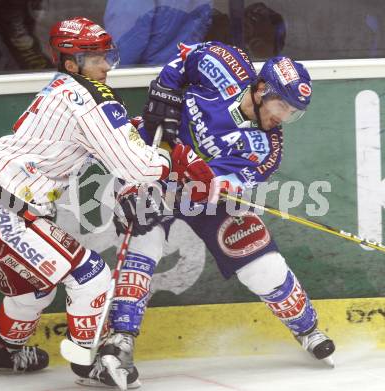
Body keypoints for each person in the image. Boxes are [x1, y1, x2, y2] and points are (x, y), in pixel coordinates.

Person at [0, 16, 198, 381]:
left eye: (108, 56)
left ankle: (4, 351)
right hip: (6, 208)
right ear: (72, 63)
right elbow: (141, 169)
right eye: (97, 58)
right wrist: (167, 151)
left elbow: (97, 142)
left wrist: (131, 133)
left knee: (34, 289)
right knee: (91, 275)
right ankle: (89, 363)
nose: (106, 66)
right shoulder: (91, 97)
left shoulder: (63, 88)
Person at [86, 42, 336, 389]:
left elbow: (219, 183)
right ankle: (118, 341)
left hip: (196, 191)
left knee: (261, 262)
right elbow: (185, 58)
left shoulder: (265, 149)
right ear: (262, 89)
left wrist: (204, 177)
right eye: (282, 106)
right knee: (144, 240)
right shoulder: (225, 63)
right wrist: (166, 88)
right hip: (147, 164)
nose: (283, 118)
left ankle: (306, 328)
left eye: (293, 113)